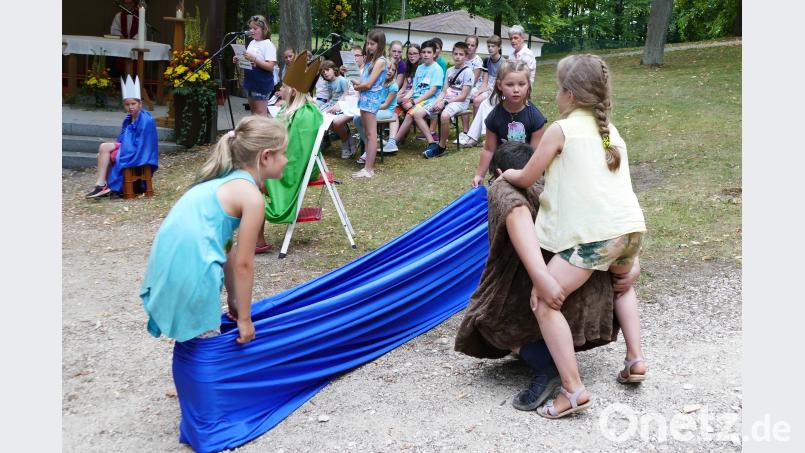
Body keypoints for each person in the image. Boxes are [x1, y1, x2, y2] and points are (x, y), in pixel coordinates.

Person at [501, 54, 648, 419]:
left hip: (593, 237)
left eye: (557, 90)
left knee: (543, 301)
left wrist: (506, 176)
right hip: (628, 232)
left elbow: (527, 176)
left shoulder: (560, 130)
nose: (555, 97)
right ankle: (635, 359)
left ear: (568, 93)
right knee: (623, 287)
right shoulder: (611, 133)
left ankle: (572, 389)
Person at [454, 140, 640, 412]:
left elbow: (515, 210)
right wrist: (632, 263)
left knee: (487, 319)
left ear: (500, 171)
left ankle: (551, 368)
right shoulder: (560, 188)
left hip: (550, 288)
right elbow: (604, 223)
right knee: (617, 288)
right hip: (593, 290)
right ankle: (635, 358)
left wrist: (540, 277)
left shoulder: (502, 187)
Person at [140, 116, 289, 344]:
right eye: (283, 154)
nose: (287, 161)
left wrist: (234, 300)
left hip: (169, 264)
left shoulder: (224, 182)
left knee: (196, 340)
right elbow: (244, 263)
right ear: (266, 156)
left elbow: (227, 248)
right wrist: (246, 320)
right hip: (195, 270)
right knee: (206, 344)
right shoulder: (251, 197)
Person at [255, 54, 324, 252]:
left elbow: (294, 153)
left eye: (284, 87)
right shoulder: (293, 109)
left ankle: (255, 238)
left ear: (294, 91)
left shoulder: (305, 115)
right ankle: (255, 237)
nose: (280, 90)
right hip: (281, 160)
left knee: (250, 178)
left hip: (289, 168)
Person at [471, 60, 547, 187]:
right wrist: (479, 175)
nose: (516, 89)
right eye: (510, 84)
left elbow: (536, 153)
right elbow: (489, 149)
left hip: (528, 175)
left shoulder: (535, 117)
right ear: (500, 85)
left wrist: (532, 180)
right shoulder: (494, 117)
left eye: (521, 84)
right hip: (501, 174)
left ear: (528, 85)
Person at [85, 75, 158, 199]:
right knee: (102, 154)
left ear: (140, 103)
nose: (130, 107)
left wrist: (121, 147)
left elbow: (144, 143)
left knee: (104, 147)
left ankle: (101, 185)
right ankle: (103, 185)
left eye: (133, 103)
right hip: (128, 147)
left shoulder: (146, 120)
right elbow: (123, 138)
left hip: (138, 152)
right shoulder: (129, 119)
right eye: (127, 104)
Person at [420, 42, 474, 159]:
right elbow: (444, 91)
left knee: (444, 115)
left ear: (465, 56)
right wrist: (435, 102)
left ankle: (441, 146)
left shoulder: (468, 72)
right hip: (448, 99)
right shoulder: (449, 71)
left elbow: (463, 96)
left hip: (460, 102)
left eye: (461, 54)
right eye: (455, 54)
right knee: (428, 109)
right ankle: (432, 141)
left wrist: (444, 102)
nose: (458, 56)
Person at [349, 29, 388, 179]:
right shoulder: (370, 61)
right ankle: (367, 167)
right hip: (364, 99)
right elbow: (363, 82)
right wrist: (352, 79)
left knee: (371, 135)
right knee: (367, 133)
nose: (368, 47)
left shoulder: (380, 61)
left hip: (371, 100)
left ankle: (369, 169)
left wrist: (358, 87)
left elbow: (369, 84)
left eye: (372, 44)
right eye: (368, 43)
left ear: (380, 45)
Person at [392, 40, 443, 148]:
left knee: (411, 113)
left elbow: (432, 91)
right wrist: (405, 99)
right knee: (395, 109)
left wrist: (413, 101)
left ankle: (393, 142)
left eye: (429, 52)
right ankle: (393, 139)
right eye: (424, 52)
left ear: (434, 54)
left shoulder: (437, 69)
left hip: (429, 100)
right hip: (416, 98)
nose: (426, 54)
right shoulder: (420, 68)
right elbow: (414, 89)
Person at [460, 34, 505, 147]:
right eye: (489, 46)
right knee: (476, 100)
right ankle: (477, 133)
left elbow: (501, 83)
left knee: (485, 102)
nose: (490, 48)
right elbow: (485, 81)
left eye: (493, 46)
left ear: (499, 47)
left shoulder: (503, 62)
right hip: (488, 87)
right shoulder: (487, 61)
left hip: (499, 89)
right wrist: (479, 92)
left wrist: (488, 91)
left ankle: (481, 135)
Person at [233, 15, 277, 116]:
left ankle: (263, 132)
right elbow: (248, 62)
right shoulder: (252, 42)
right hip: (250, 81)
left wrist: (254, 59)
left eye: (255, 28)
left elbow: (270, 66)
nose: (252, 31)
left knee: (260, 113)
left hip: (261, 83)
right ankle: (255, 132)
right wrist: (239, 59)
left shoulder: (268, 44)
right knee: (253, 113)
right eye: (250, 28)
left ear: (264, 29)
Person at [354, 62, 399, 156]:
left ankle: (370, 149)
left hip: (385, 111)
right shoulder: (378, 81)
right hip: (374, 108)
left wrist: (370, 107)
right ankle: (370, 143)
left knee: (366, 118)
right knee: (356, 118)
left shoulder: (393, 86)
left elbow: (385, 105)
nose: (390, 71)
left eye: (393, 70)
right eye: (388, 68)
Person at [316, 60, 352, 159]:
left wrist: (338, 105)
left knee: (334, 122)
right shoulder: (329, 83)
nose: (325, 73)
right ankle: (346, 137)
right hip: (332, 104)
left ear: (334, 69)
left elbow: (346, 94)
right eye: (323, 72)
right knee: (322, 119)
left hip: (342, 104)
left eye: (327, 70)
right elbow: (331, 96)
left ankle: (345, 142)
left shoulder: (341, 80)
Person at [460, 35, 484, 137]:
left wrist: (462, 90)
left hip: (475, 87)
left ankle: (474, 130)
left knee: (462, 97)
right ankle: (466, 130)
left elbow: (474, 80)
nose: (469, 47)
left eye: (472, 45)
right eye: (467, 44)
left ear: (476, 47)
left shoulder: (477, 60)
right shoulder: (462, 58)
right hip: (462, 85)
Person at [395, 43, 421, 111]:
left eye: (415, 53)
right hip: (406, 93)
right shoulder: (407, 66)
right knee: (393, 98)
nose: (412, 56)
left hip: (415, 94)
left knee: (400, 102)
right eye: (410, 54)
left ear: (420, 54)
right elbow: (403, 88)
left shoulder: (422, 68)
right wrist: (396, 95)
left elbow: (416, 89)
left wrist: (404, 97)